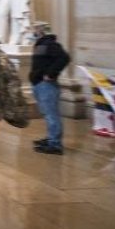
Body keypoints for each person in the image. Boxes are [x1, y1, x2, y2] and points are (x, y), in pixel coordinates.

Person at [29, 21, 71, 155]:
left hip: (46, 85)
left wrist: (51, 74)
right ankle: (51, 138)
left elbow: (64, 58)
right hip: (40, 84)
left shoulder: (50, 44)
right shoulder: (42, 44)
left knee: (52, 115)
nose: (33, 31)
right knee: (48, 114)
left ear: (41, 30)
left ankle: (55, 144)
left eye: (35, 29)